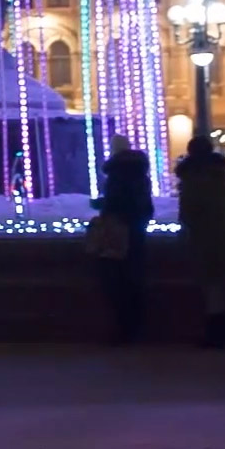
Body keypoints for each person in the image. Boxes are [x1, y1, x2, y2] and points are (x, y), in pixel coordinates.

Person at [90, 135, 156, 344]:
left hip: (118, 230)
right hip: (137, 228)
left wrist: (102, 206)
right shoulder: (141, 172)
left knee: (117, 280)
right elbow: (144, 203)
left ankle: (124, 329)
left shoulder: (116, 174)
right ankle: (138, 327)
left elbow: (116, 202)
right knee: (136, 277)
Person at [176, 135, 225, 348]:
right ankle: (219, 332)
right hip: (220, 234)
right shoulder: (219, 175)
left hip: (202, 236)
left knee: (209, 285)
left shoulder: (193, 177)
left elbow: (190, 209)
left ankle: (215, 333)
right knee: (218, 285)